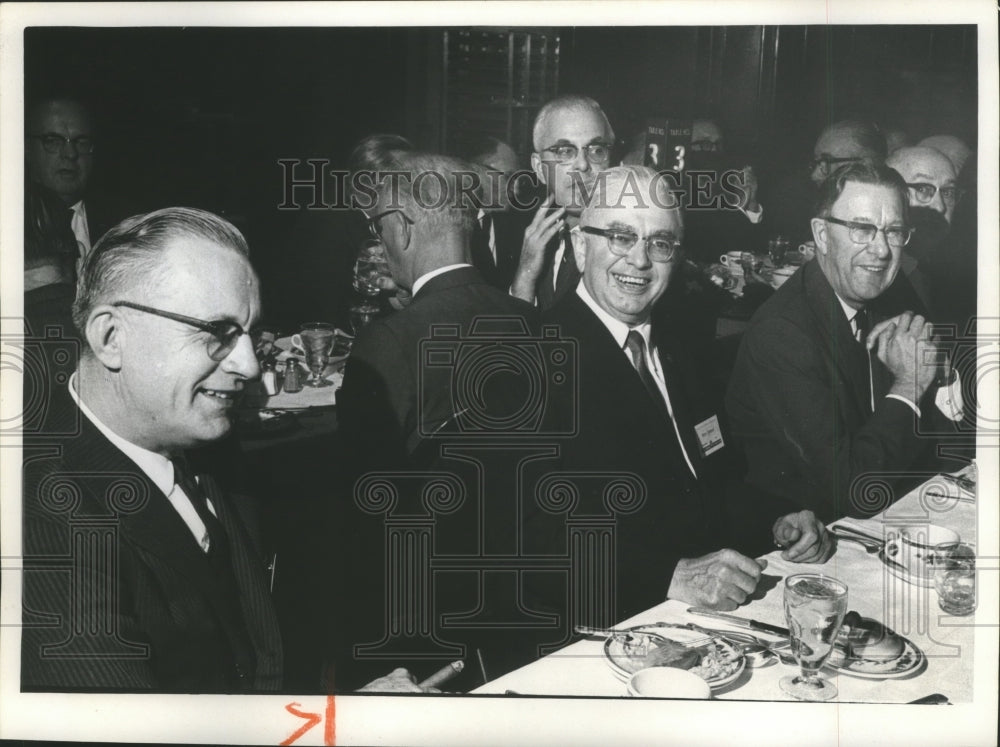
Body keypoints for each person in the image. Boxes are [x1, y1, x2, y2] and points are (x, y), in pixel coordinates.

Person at [21, 207, 429, 694]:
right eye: (217, 333)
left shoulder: (207, 443)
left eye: (249, 334)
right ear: (111, 337)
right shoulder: (41, 522)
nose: (250, 365)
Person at [524, 165, 832, 624]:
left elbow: (709, 482)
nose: (640, 261)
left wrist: (778, 517)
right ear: (580, 244)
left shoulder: (681, 348)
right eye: (620, 237)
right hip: (593, 625)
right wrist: (668, 576)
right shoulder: (528, 361)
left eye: (660, 243)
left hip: (698, 617)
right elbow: (522, 543)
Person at [335, 152, 540, 687]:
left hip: (423, 620)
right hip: (529, 596)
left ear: (401, 229)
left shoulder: (385, 346)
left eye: (378, 229)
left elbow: (364, 508)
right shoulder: (532, 320)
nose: (379, 245)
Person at [726, 161, 965, 524]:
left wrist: (939, 372)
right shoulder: (783, 334)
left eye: (894, 231)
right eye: (862, 229)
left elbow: (943, 443)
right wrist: (911, 382)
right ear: (822, 235)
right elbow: (856, 491)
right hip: (806, 537)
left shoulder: (891, 290)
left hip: (895, 510)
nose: (881, 250)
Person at [509, 95, 616, 309]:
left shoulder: (628, 248)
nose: (583, 165)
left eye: (596, 150)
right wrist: (524, 280)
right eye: (565, 151)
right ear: (539, 168)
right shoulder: (531, 240)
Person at [24, 97, 125, 277]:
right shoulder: (10, 223)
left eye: (81, 142)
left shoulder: (125, 225)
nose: (70, 154)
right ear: (26, 148)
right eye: (53, 141)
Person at [765, 119, 887, 246]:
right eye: (817, 163)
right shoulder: (804, 206)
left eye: (827, 162)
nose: (815, 176)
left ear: (866, 164)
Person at [884, 146, 961, 313]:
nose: (939, 207)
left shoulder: (952, 274)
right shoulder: (875, 272)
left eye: (948, 192)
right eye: (922, 189)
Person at [456, 135, 532, 291]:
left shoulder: (518, 223)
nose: (516, 189)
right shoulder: (451, 224)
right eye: (509, 177)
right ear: (476, 172)